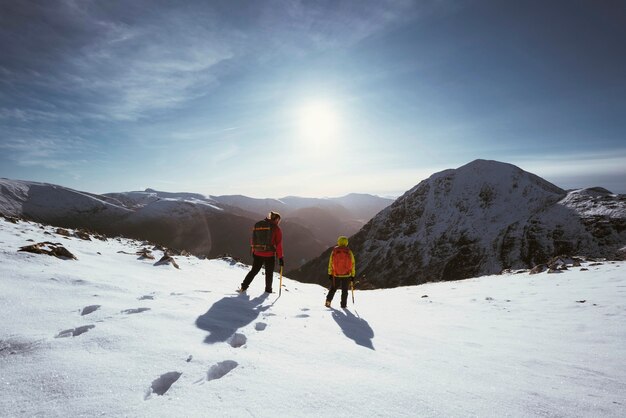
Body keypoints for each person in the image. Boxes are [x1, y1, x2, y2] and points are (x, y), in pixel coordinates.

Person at [239, 211, 284, 293]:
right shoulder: (276, 228)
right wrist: (280, 257)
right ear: (277, 219)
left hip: (257, 253)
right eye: (279, 220)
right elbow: (278, 245)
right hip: (269, 255)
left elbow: (253, 239)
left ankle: (243, 287)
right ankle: (268, 290)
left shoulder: (259, 225)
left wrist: (254, 250)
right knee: (269, 273)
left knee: (254, 271)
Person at [325, 236, 355, 308]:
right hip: (347, 275)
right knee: (344, 291)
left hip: (336, 274)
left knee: (333, 288)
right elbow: (353, 264)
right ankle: (343, 305)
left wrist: (330, 273)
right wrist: (352, 275)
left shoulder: (334, 251)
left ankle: (328, 302)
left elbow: (330, 263)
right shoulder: (349, 251)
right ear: (346, 243)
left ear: (338, 242)